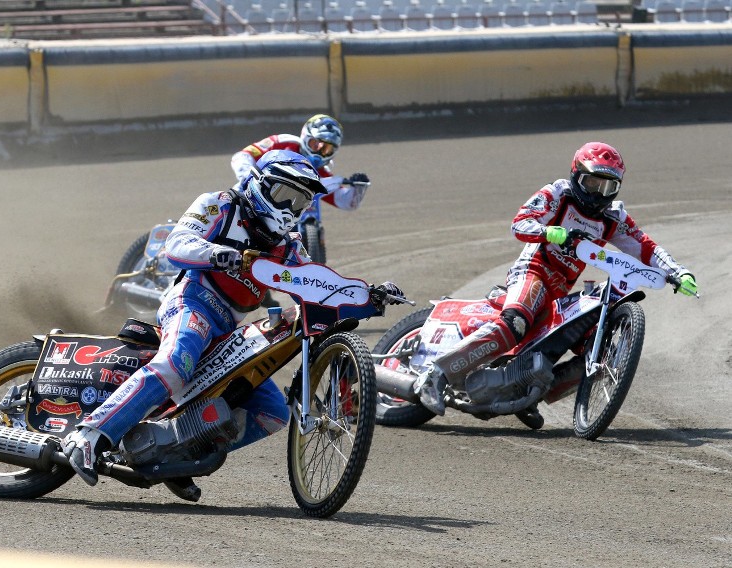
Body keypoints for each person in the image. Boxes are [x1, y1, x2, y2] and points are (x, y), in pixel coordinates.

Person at [63, 150, 403, 500]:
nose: (291, 208)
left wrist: (368, 296)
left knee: (271, 410)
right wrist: (220, 254)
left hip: (230, 329)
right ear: (261, 185)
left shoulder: (287, 245)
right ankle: (89, 435)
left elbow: (318, 285)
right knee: (176, 363)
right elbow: (175, 245)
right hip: (191, 302)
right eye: (285, 195)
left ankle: (176, 454)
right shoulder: (220, 204)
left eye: (300, 201)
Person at [415, 141, 699, 416]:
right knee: (515, 323)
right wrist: (550, 232)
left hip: (560, 289)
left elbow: (646, 247)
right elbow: (520, 222)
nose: (598, 194)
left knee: (595, 349)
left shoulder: (613, 218)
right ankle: (435, 374)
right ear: (576, 175)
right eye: (592, 183)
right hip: (533, 270)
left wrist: (679, 272)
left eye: (607, 187)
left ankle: (530, 395)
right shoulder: (557, 194)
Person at [231, 114, 370, 212]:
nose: (319, 152)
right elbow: (243, 155)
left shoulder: (321, 173)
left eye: (326, 149)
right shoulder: (282, 142)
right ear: (306, 136)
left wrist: (358, 188)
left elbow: (345, 202)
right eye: (316, 144)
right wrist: (247, 175)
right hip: (251, 196)